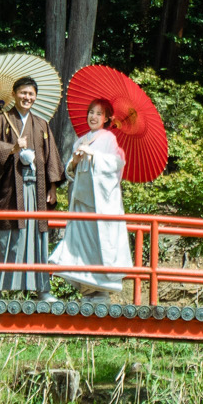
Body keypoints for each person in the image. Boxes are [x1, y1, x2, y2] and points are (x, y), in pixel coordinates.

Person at [0, 78, 63, 297]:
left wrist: (52, 187)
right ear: (14, 94)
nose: (27, 97)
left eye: (31, 94)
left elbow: (51, 157)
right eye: (23, 93)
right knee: (6, 237)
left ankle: (42, 290)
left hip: (36, 190)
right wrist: (12, 148)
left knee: (37, 236)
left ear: (35, 97)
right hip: (10, 190)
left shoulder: (42, 124)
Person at [49, 97, 132, 299]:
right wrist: (75, 161)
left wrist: (94, 155)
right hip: (82, 201)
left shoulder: (108, 139)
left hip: (101, 203)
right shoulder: (81, 139)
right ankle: (86, 289)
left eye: (98, 113)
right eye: (91, 112)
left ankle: (101, 289)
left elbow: (115, 164)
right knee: (80, 245)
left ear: (106, 119)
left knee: (99, 245)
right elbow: (70, 172)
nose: (93, 117)